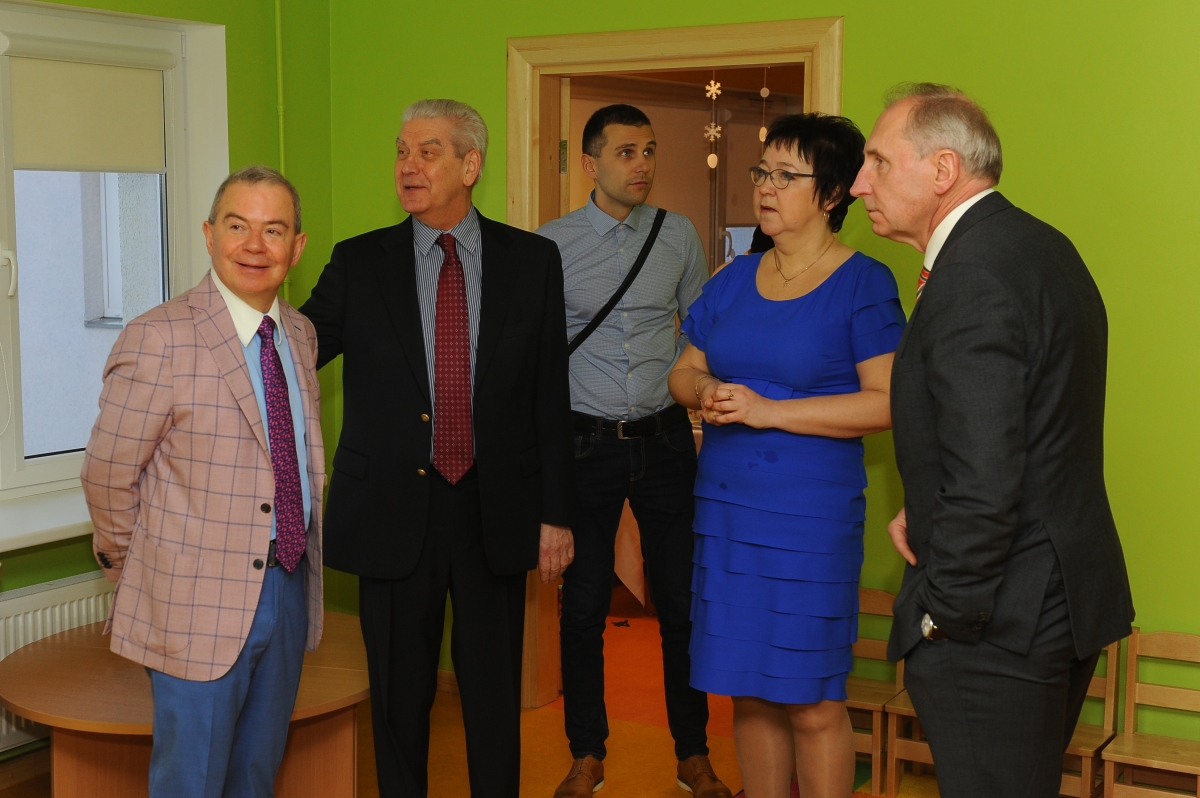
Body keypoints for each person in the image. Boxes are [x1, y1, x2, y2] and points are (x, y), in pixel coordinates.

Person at [849, 83, 1134, 797]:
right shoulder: (1036, 244)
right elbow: (1026, 428)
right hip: (1059, 596)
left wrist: (944, 616)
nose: (859, 184)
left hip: (1000, 620)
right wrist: (927, 503)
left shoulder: (971, 275)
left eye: (879, 162)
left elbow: (986, 479)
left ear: (942, 170)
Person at [300, 99, 575, 798]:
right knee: (399, 697)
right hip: (392, 509)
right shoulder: (359, 262)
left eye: (427, 151)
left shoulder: (532, 261)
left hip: (495, 507)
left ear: (470, 164)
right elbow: (295, 353)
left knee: (492, 696)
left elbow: (550, 392)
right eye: (401, 151)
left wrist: (556, 513)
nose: (408, 166)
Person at [669, 113, 904, 798]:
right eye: (761, 172)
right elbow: (682, 371)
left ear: (830, 194)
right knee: (746, 689)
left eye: (786, 175)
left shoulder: (864, 283)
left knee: (811, 698)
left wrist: (770, 411)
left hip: (809, 520)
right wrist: (706, 392)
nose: (766, 187)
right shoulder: (732, 277)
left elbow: (887, 403)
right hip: (728, 513)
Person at [82, 165, 323, 797]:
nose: (255, 245)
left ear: (297, 246)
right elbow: (107, 475)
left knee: (255, 776)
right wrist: (145, 573)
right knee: (191, 782)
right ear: (210, 235)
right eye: (238, 226)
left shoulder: (299, 334)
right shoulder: (160, 337)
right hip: (194, 604)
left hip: (288, 585)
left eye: (274, 230)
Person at [536, 103, 731, 798]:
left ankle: (693, 754)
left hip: (666, 441)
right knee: (585, 606)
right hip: (584, 443)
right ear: (590, 164)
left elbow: (700, 331)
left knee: (681, 604)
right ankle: (587, 753)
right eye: (626, 152)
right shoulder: (550, 245)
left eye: (648, 150)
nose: (642, 164)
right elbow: (534, 357)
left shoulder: (677, 235)